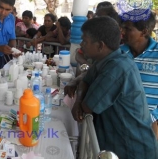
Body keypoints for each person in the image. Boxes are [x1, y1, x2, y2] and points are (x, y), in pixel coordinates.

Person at [65, 16, 158, 158]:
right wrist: (78, 100)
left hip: (133, 148)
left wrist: (80, 103)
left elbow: (88, 107)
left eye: (85, 41)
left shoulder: (117, 68)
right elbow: (86, 80)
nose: (81, 45)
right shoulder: (108, 59)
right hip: (116, 141)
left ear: (100, 46)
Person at [120, 10, 158, 139]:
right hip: (120, 121)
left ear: (144, 31)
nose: (123, 32)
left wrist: (154, 116)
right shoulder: (119, 53)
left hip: (149, 124)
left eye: (128, 29)